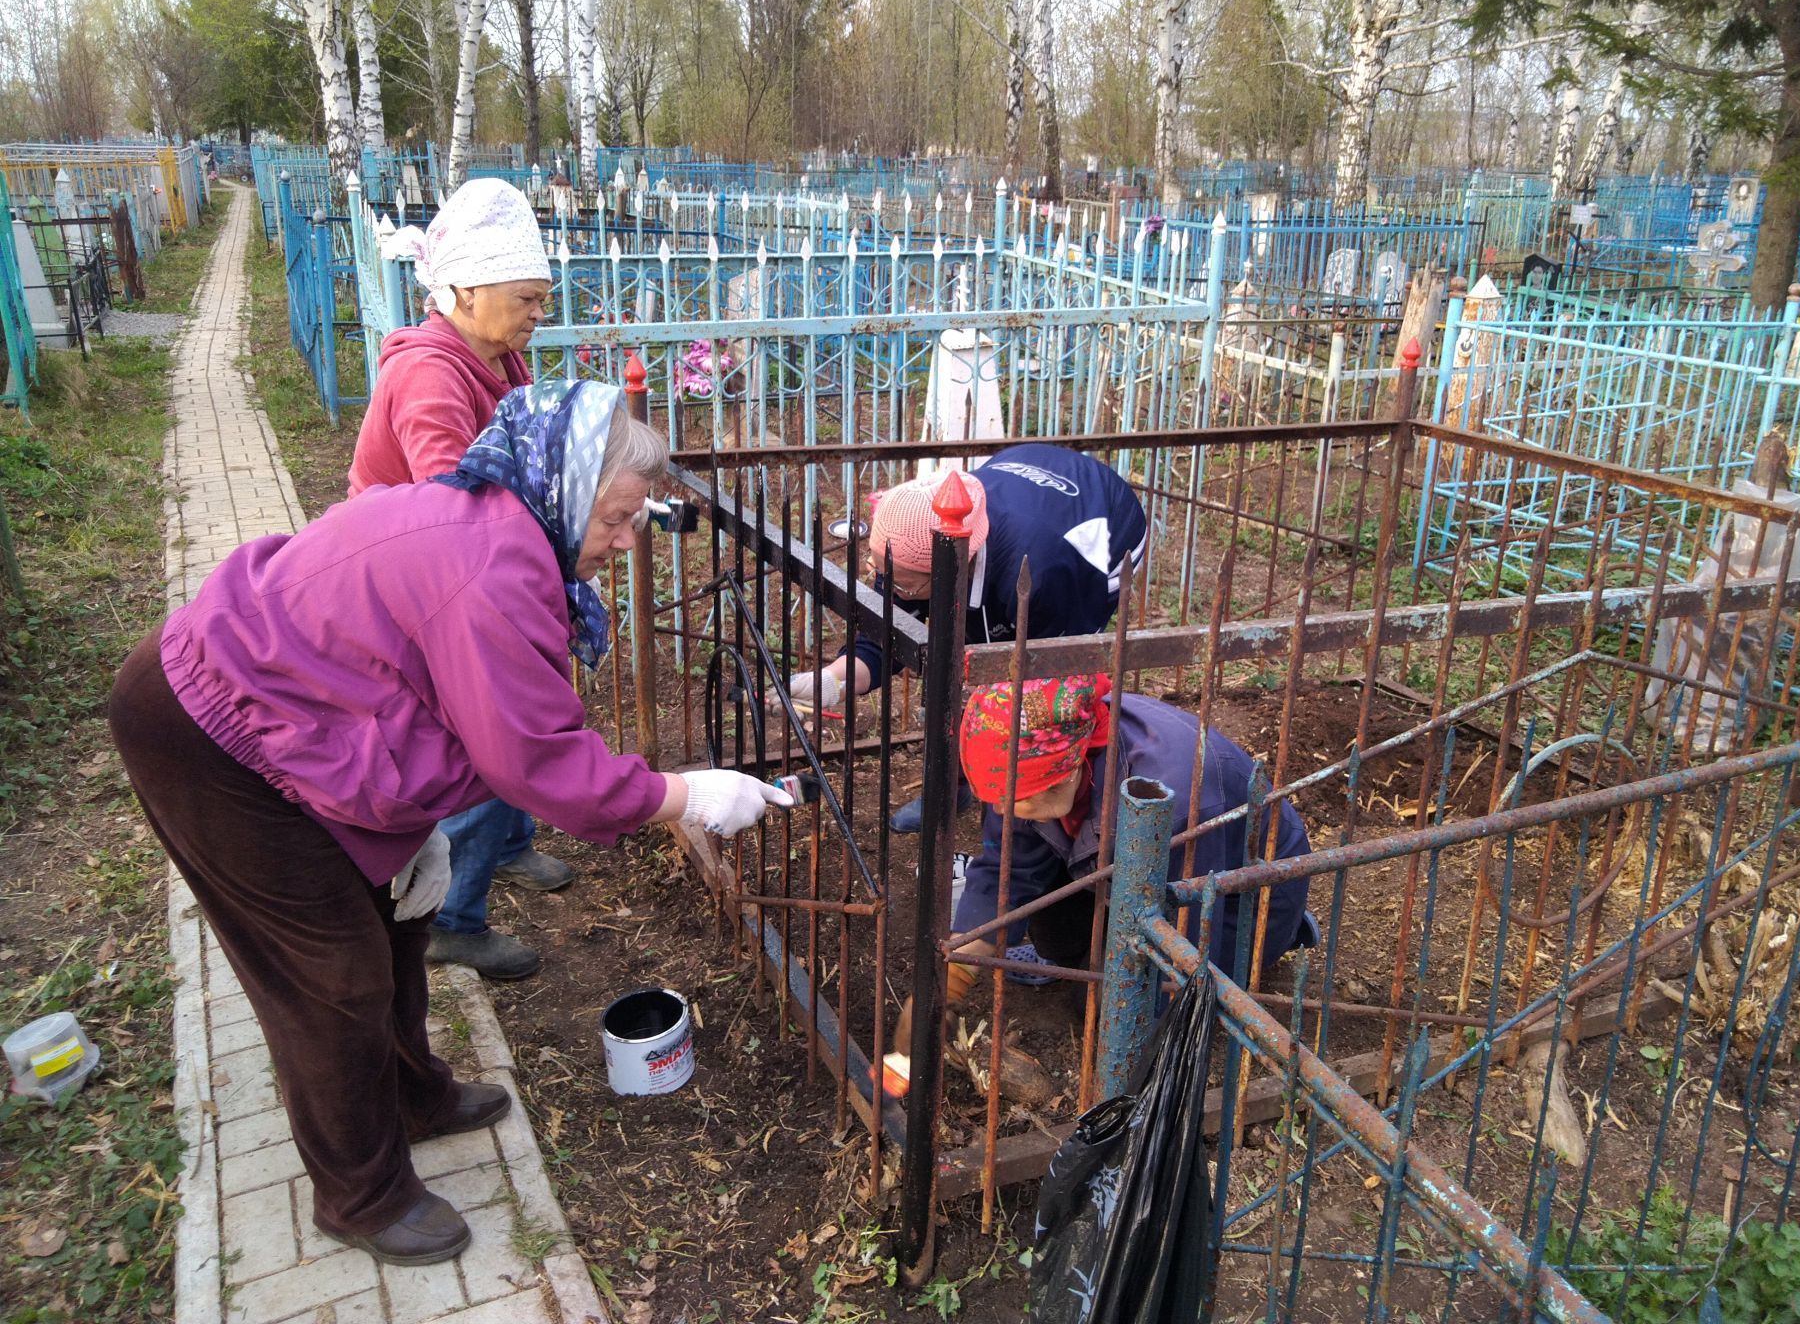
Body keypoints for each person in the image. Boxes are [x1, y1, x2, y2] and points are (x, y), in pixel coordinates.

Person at [110, 382, 789, 1267]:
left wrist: (412, 825)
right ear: (567, 486)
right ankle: (359, 1195)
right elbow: (536, 761)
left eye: (639, 521)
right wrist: (686, 796)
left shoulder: (508, 525)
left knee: (397, 922)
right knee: (331, 980)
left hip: (294, 721)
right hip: (212, 738)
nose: (628, 542)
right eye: (619, 518)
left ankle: (413, 1097)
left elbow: (423, 699)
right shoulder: (490, 565)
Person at [354, 177, 562, 980]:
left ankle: (510, 846)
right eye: (526, 297)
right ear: (466, 291)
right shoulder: (432, 377)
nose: (538, 313)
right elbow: (453, 507)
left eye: (543, 297)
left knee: (514, 704)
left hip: (470, 562)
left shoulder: (493, 355)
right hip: (423, 583)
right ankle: (455, 918)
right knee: (481, 733)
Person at [894, 674, 1316, 1052]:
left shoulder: (1176, 800)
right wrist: (947, 982)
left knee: (1111, 1014)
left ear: (1069, 767)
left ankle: (1286, 933)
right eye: (994, 798)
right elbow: (1008, 874)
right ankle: (1103, 949)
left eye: (1014, 797)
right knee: (1054, 932)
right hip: (1121, 869)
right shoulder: (1031, 768)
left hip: (1236, 901)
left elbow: (1186, 938)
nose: (1002, 811)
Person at [788, 443, 1148, 832]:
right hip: (1024, 476)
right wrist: (833, 681)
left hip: (1099, 531)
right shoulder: (908, 544)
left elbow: (1048, 682)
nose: (878, 576)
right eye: (877, 566)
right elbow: (887, 634)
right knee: (963, 671)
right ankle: (952, 786)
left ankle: (1042, 804)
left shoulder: (1043, 580)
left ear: (946, 570)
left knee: (1035, 700)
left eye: (903, 585)